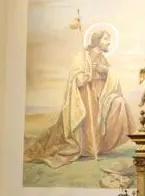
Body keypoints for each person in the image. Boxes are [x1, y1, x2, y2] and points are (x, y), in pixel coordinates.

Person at [24, 29, 137, 168]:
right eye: (106, 39)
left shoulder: (103, 59)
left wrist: (106, 71)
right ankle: (87, 148)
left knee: (119, 103)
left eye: (109, 39)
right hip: (86, 95)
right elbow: (74, 78)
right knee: (90, 114)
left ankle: (101, 145)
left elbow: (112, 80)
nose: (109, 42)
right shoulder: (83, 56)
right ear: (97, 40)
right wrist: (80, 79)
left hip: (103, 96)